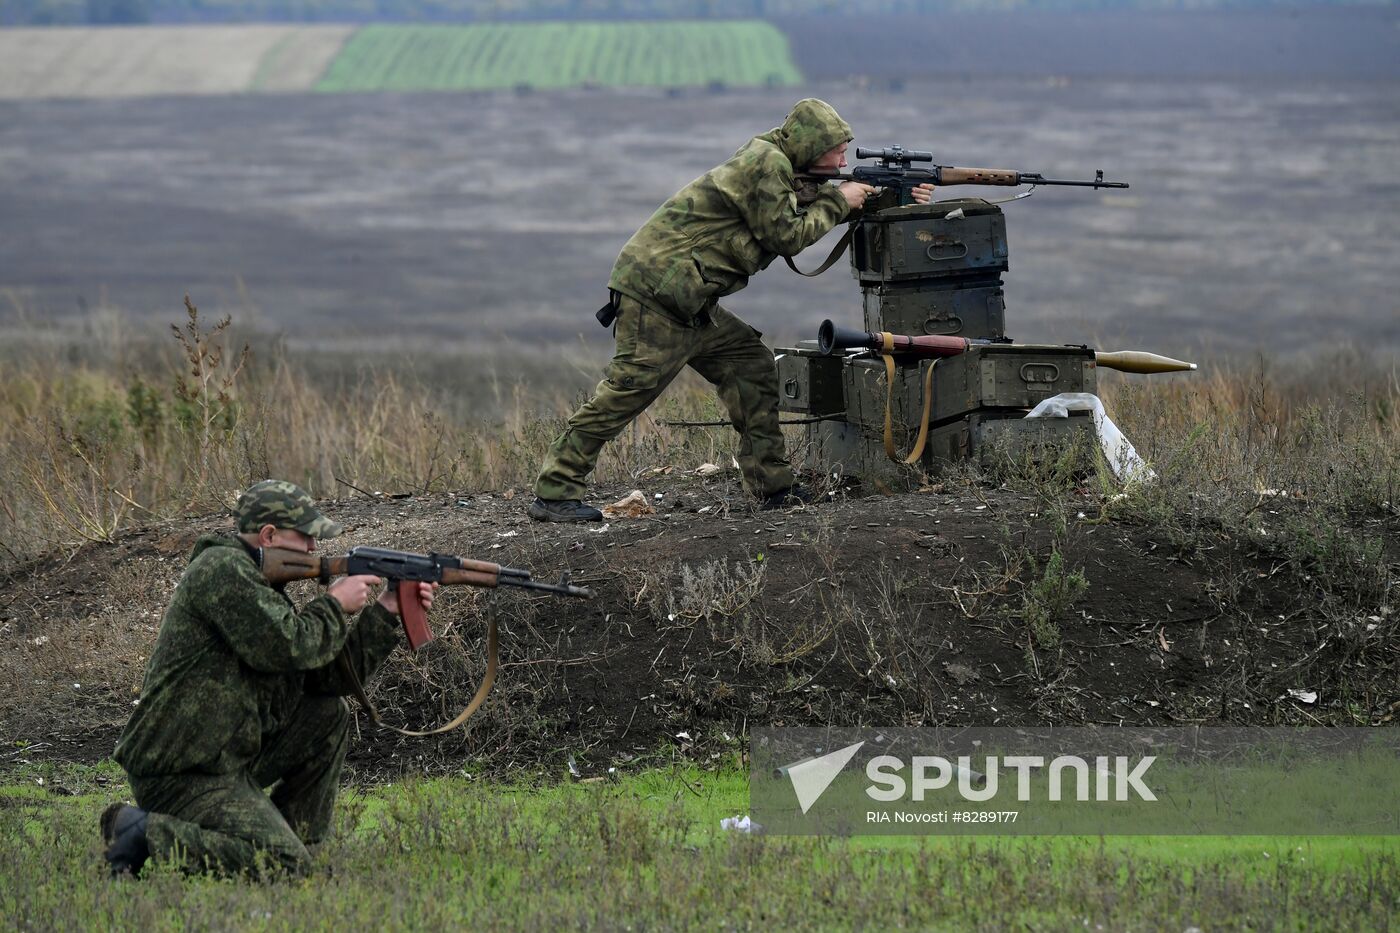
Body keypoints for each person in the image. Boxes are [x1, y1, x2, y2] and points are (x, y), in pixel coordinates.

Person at [529, 98, 930, 523]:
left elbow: (810, 207)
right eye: (838, 150)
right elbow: (788, 235)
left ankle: (772, 488)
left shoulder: (783, 167)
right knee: (626, 393)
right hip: (658, 296)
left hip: (692, 300)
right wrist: (838, 201)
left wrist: (894, 199)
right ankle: (555, 492)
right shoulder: (766, 163)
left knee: (751, 368)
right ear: (813, 145)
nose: (844, 159)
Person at [100, 480, 436, 878]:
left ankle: (301, 841)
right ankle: (139, 831)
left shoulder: (262, 585)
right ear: (269, 535)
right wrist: (332, 603)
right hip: (181, 771)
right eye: (306, 537)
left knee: (328, 712)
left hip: (225, 756)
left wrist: (386, 611)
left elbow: (327, 680)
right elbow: (287, 646)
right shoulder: (222, 570)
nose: (314, 548)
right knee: (283, 868)